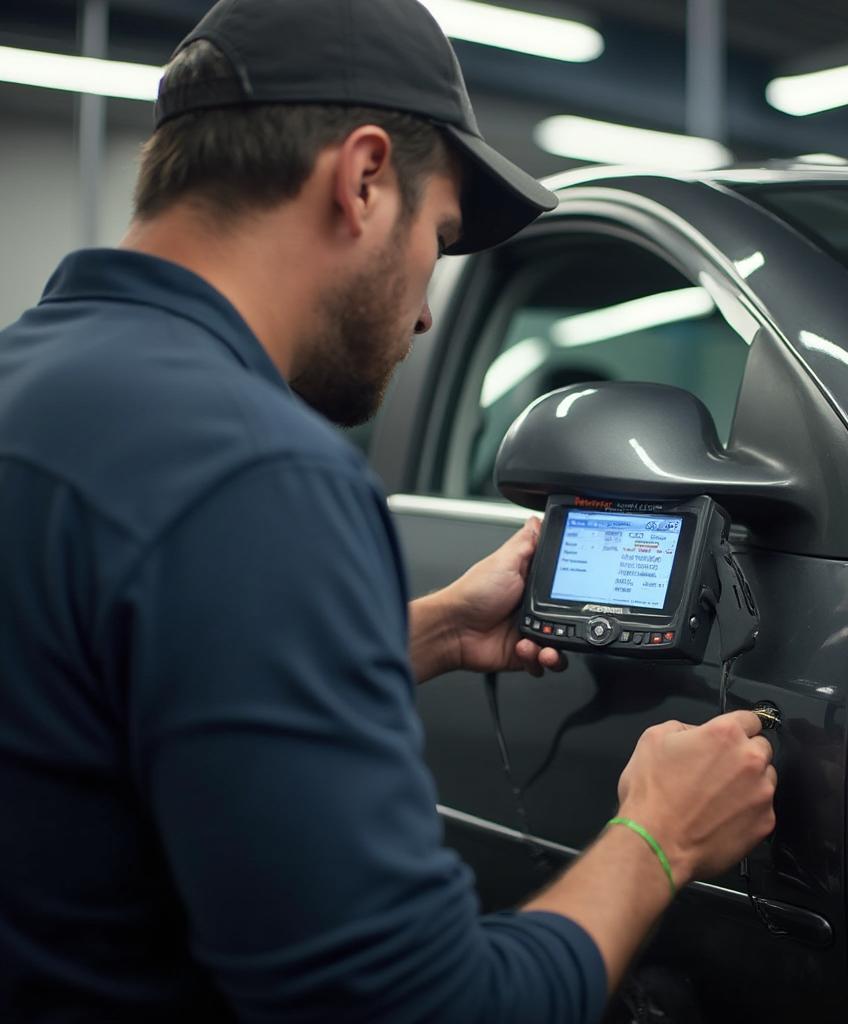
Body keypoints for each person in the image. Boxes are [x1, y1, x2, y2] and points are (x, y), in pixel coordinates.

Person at [0, 0, 777, 1020]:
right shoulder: (253, 473)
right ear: (363, 179)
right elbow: (417, 1008)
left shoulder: (32, 389)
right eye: (440, 238)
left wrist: (430, 632)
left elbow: (101, 698)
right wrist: (657, 836)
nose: (419, 311)